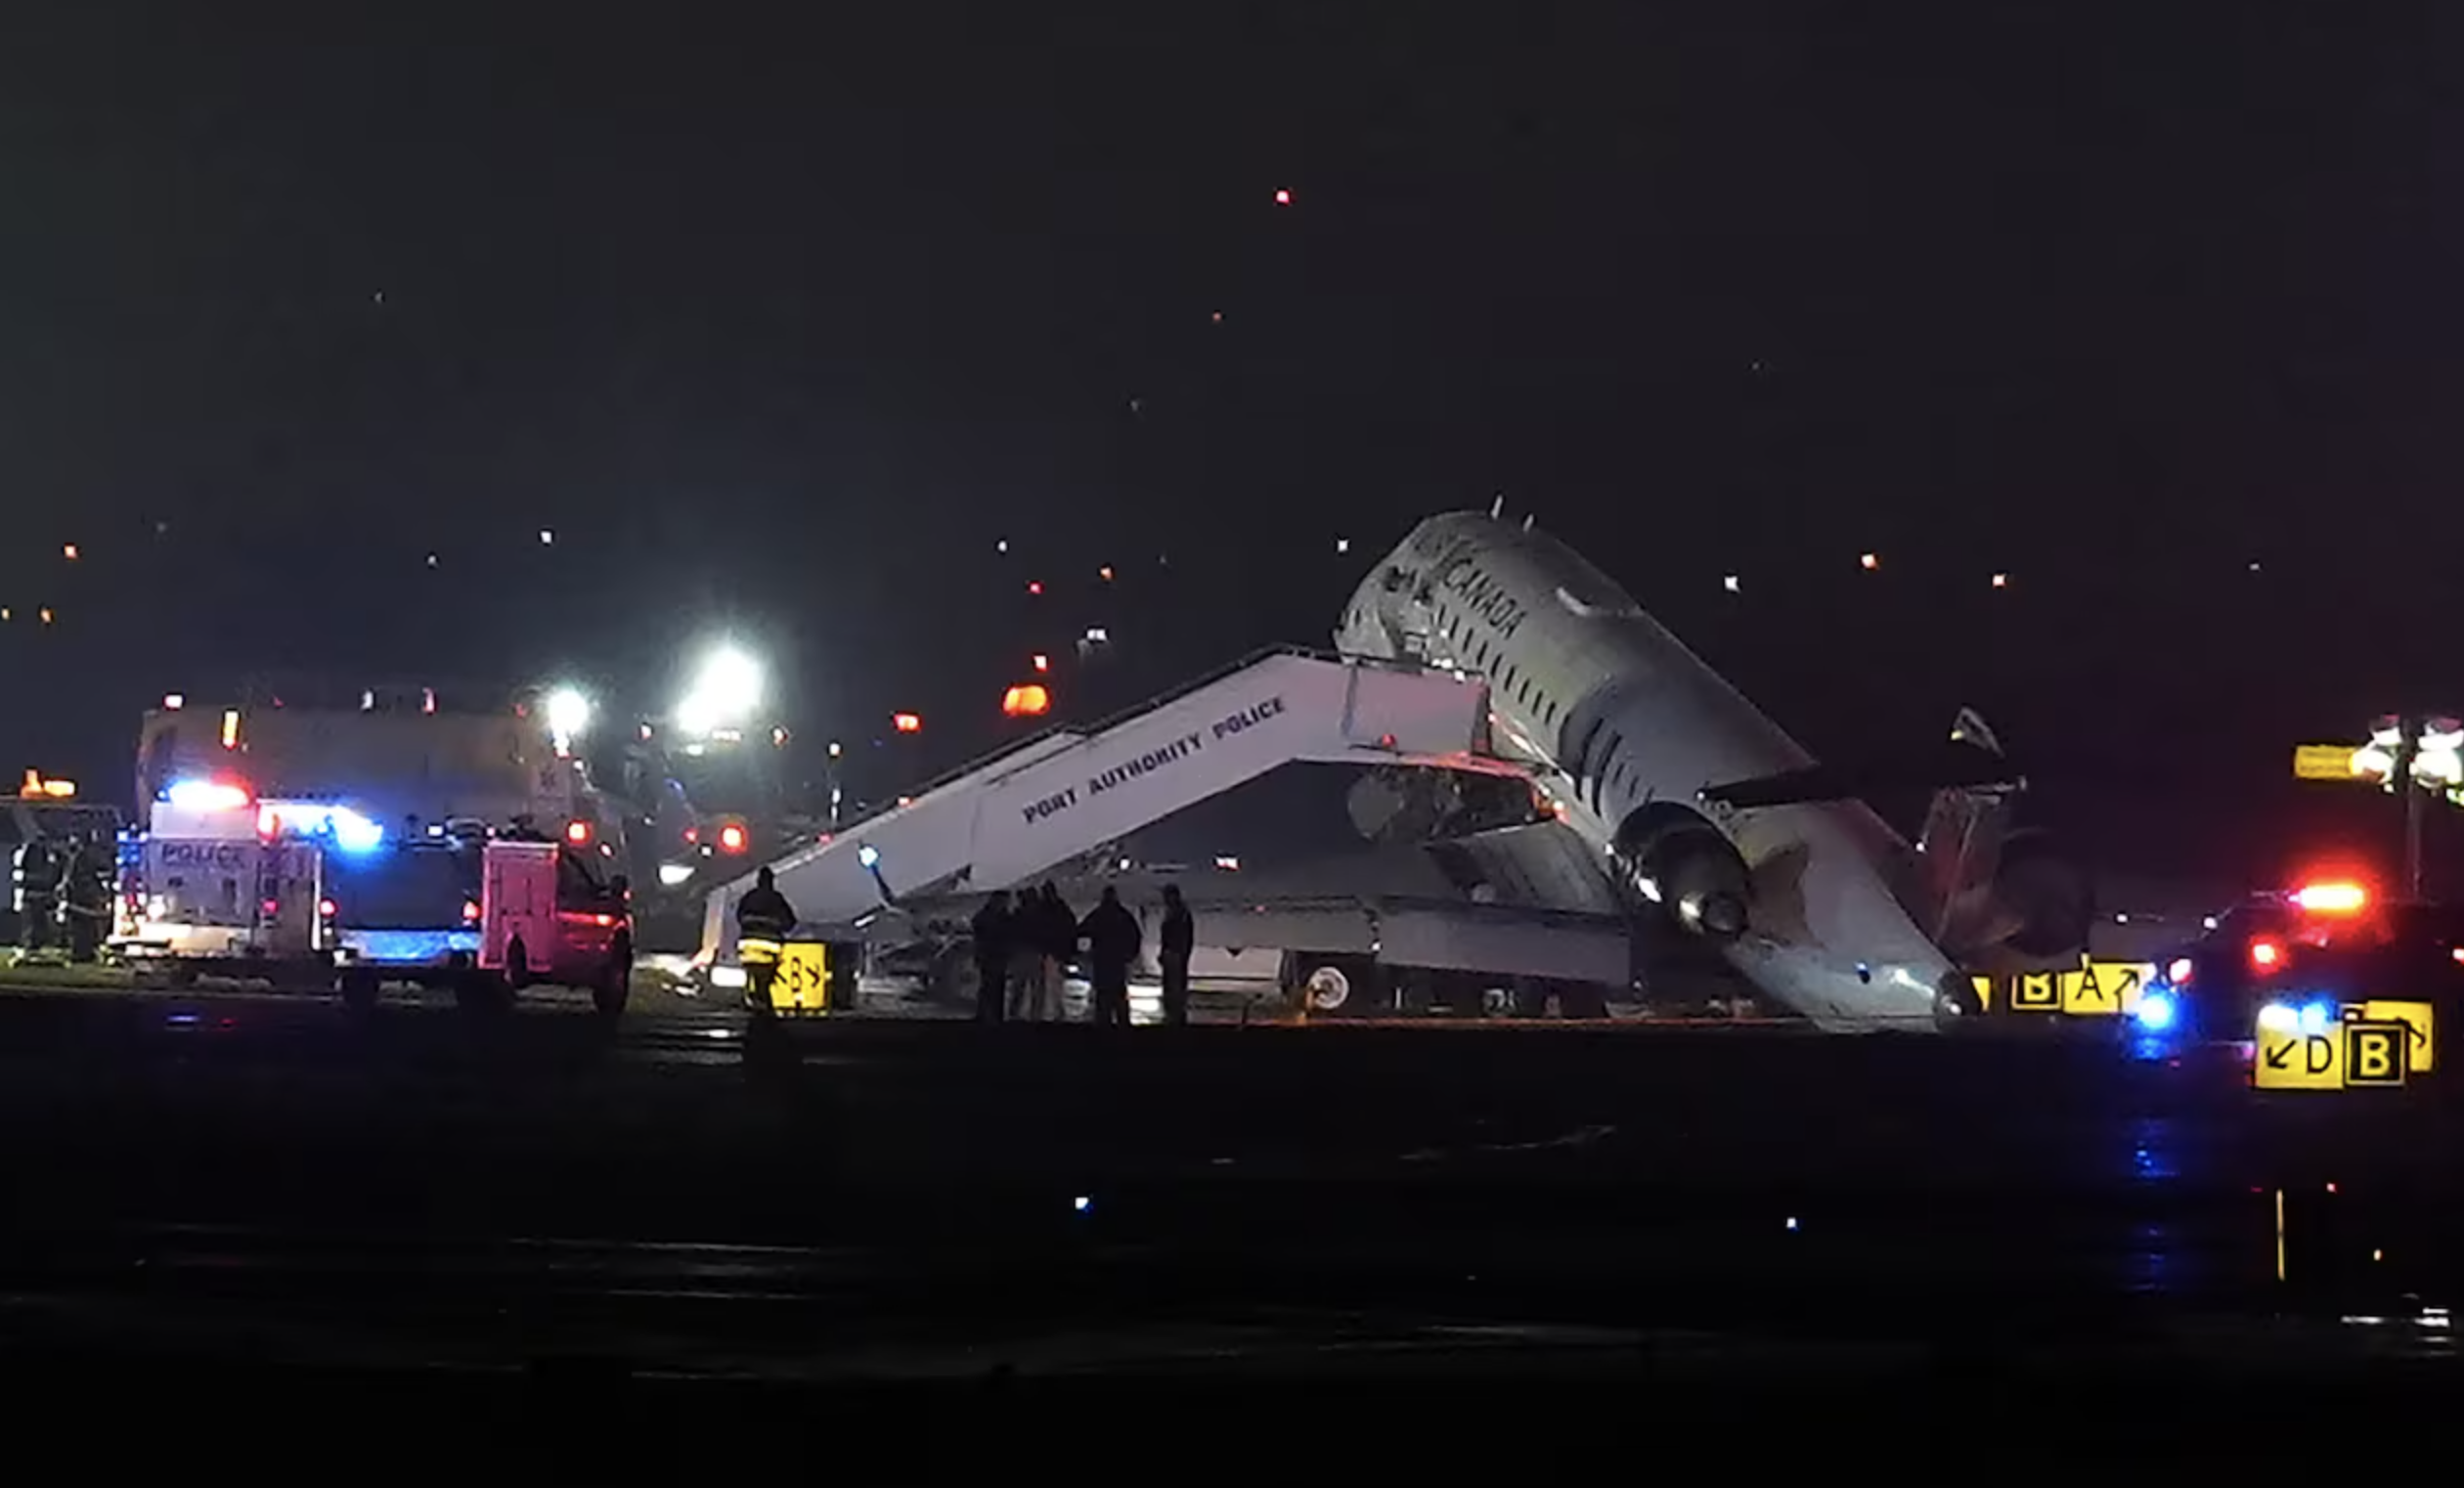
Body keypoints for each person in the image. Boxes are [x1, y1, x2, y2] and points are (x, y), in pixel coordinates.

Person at [735, 866, 798, 1018]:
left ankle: (757, 1005)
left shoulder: (748, 898)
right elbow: (790, 922)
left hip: (748, 949)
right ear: (771, 881)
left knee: (755, 977)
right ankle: (764, 1011)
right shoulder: (776, 899)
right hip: (768, 949)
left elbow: (739, 917)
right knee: (765, 981)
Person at [1080, 885, 1141, 1028]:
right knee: (1119, 996)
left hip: (1102, 962)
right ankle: (1123, 1026)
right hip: (1117, 962)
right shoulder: (1123, 915)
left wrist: (1081, 952)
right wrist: (1130, 955)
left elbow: (1082, 929)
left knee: (1103, 999)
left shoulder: (1099, 914)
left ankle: (1103, 1027)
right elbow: (1135, 935)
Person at [969, 890, 1011, 1024]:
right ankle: (985, 1015)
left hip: (997, 956)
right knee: (989, 986)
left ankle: (994, 1015)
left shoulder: (999, 915)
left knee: (995, 987)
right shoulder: (989, 915)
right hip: (990, 955)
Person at [1159, 883, 1194, 1028]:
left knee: (1173, 984)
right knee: (1174, 983)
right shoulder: (1179, 912)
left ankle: (1174, 1013)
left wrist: (1172, 951)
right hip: (1175, 953)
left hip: (1175, 953)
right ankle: (1175, 1012)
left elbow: (1176, 935)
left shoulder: (1177, 913)